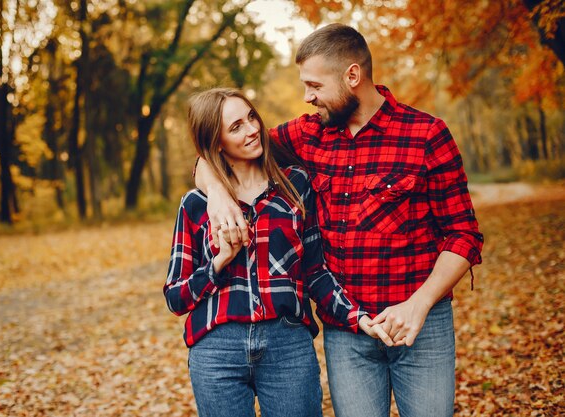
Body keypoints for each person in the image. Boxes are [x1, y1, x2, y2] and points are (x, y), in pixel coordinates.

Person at [195, 25, 484, 417]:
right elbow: (221, 151)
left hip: (421, 324)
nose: (307, 96)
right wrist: (214, 192)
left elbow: (463, 234)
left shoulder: (426, 135)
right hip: (346, 331)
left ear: (352, 76)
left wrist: (419, 305)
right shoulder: (308, 134)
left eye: (314, 85)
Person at [164, 88, 391, 417]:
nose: (253, 129)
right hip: (217, 350)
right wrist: (219, 261)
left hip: (288, 345)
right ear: (216, 143)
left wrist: (357, 316)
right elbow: (175, 297)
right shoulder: (197, 205)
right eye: (236, 126)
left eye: (251, 117)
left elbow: (316, 272)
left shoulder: (295, 185)